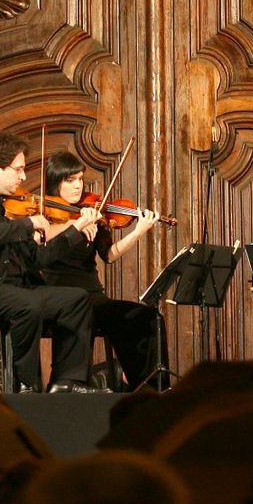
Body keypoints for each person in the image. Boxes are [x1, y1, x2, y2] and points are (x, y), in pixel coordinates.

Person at [0, 132, 103, 393]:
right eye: (18, 170)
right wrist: (28, 223)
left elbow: (37, 257)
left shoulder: (3, 207)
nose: (23, 177)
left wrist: (74, 231)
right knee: (27, 304)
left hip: (10, 289)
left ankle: (67, 382)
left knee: (76, 298)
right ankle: (25, 383)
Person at [37, 151, 168, 391]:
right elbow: (40, 245)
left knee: (148, 318)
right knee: (83, 311)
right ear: (56, 182)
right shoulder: (44, 214)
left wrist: (138, 231)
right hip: (61, 299)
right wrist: (75, 225)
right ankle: (67, 384)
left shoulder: (92, 211)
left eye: (80, 179)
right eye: (70, 180)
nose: (78, 185)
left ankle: (148, 389)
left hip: (94, 298)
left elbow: (109, 255)